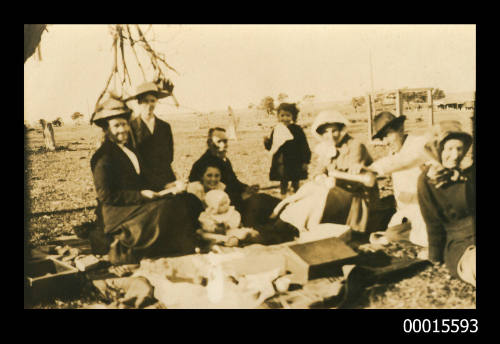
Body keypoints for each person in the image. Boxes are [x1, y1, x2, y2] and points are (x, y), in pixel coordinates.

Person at [90, 97, 203, 265]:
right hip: (118, 212)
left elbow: (144, 179)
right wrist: (140, 195)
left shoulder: (129, 150)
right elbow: (106, 196)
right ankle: (131, 246)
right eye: (116, 125)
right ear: (107, 129)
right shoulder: (103, 157)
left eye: (124, 124)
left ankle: (178, 244)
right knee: (167, 208)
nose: (122, 129)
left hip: (138, 204)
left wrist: (168, 186)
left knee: (187, 200)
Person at [189, 128, 297, 243]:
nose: (223, 144)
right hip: (221, 207)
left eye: (225, 141)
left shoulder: (224, 159)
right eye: (219, 141)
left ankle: (288, 220)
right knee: (257, 203)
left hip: (234, 198)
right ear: (210, 142)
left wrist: (247, 188)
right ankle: (258, 232)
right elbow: (208, 194)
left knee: (269, 200)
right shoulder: (204, 163)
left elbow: (234, 182)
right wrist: (240, 197)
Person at [278, 110, 379, 232]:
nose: (330, 135)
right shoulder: (326, 148)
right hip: (337, 194)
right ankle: (292, 223)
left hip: (358, 198)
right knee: (311, 189)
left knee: (321, 193)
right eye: (325, 131)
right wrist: (320, 177)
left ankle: (307, 227)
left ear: (342, 130)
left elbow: (354, 179)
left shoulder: (355, 146)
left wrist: (334, 181)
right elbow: (318, 171)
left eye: (334, 130)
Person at [417, 121, 475, 286]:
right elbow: (433, 223)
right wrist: (435, 259)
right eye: (449, 149)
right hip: (460, 244)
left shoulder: (469, 173)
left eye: (459, 148)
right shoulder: (427, 181)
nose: (455, 155)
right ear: (438, 150)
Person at [367, 112, 430, 247]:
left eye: (389, 134)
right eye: (382, 137)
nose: (386, 142)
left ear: (401, 129)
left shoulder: (418, 144)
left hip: (426, 210)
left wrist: (372, 168)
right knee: (381, 234)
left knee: (393, 238)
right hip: (405, 213)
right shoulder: (393, 152)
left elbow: (401, 161)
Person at [128, 81, 176, 192]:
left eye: (152, 101)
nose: (150, 105)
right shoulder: (131, 127)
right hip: (142, 181)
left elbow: (169, 155)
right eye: (145, 101)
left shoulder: (165, 126)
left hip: (165, 177)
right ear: (139, 103)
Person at [264, 103, 311, 196]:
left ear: (293, 116)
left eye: (288, 115)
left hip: (296, 160)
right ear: (278, 116)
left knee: (296, 181)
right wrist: (266, 142)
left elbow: (304, 145)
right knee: (283, 181)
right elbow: (273, 146)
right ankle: (283, 196)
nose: (285, 118)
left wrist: (305, 161)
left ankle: (297, 196)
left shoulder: (297, 129)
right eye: (282, 115)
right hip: (282, 161)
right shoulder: (277, 129)